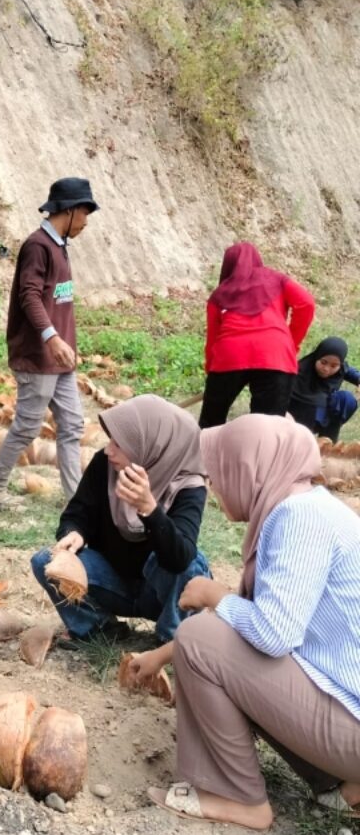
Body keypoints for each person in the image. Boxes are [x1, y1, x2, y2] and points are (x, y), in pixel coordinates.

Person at [145, 415, 360, 831]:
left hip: (351, 727)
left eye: (219, 474)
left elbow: (272, 634)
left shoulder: (298, 518)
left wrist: (215, 595)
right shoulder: (313, 506)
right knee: (212, 639)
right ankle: (342, 786)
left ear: (247, 469)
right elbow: (255, 635)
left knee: (199, 635)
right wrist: (160, 656)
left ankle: (235, 795)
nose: (215, 488)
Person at [31, 395, 210, 645]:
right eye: (110, 440)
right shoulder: (105, 465)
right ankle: (100, 628)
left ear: (150, 447)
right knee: (45, 561)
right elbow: (77, 514)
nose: (108, 450)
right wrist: (75, 532)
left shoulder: (188, 485)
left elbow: (179, 558)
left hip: (160, 594)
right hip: (114, 582)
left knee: (192, 565)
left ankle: (171, 640)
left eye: (119, 443)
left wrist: (149, 509)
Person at [0, 177, 96, 509]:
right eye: (85, 213)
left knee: (72, 425)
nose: (87, 222)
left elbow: (58, 302)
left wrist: (67, 342)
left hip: (59, 358)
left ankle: (75, 499)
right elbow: (29, 296)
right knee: (28, 426)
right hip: (38, 356)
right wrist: (52, 338)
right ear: (70, 210)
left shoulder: (59, 246)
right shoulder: (38, 246)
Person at [198, 242, 314, 428]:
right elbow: (306, 304)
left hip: (230, 356)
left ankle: (202, 455)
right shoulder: (278, 279)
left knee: (210, 425)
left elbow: (212, 339)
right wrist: (291, 343)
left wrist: (214, 379)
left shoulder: (220, 294)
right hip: (275, 355)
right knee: (268, 428)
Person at [288, 336, 360, 443]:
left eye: (333, 366)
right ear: (317, 356)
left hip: (323, 413)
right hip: (298, 418)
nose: (327, 369)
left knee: (346, 399)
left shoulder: (341, 369)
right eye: (323, 362)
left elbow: (355, 375)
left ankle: (328, 439)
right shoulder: (301, 371)